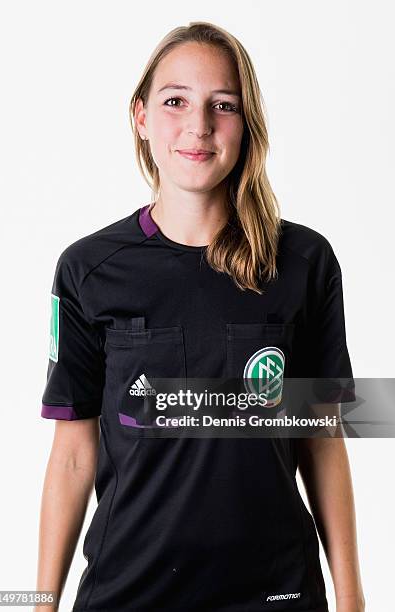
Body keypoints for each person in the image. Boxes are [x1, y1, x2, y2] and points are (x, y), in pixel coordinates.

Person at [35, 21, 365, 612]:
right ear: (140, 117)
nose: (199, 125)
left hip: (274, 590)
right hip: (128, 592)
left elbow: (322, 438)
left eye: (223, 105)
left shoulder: (305, 263)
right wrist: (39, 603)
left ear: (247, 124)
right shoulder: (87, 269)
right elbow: (72, 454)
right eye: (175, 101)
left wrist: (352, 598)